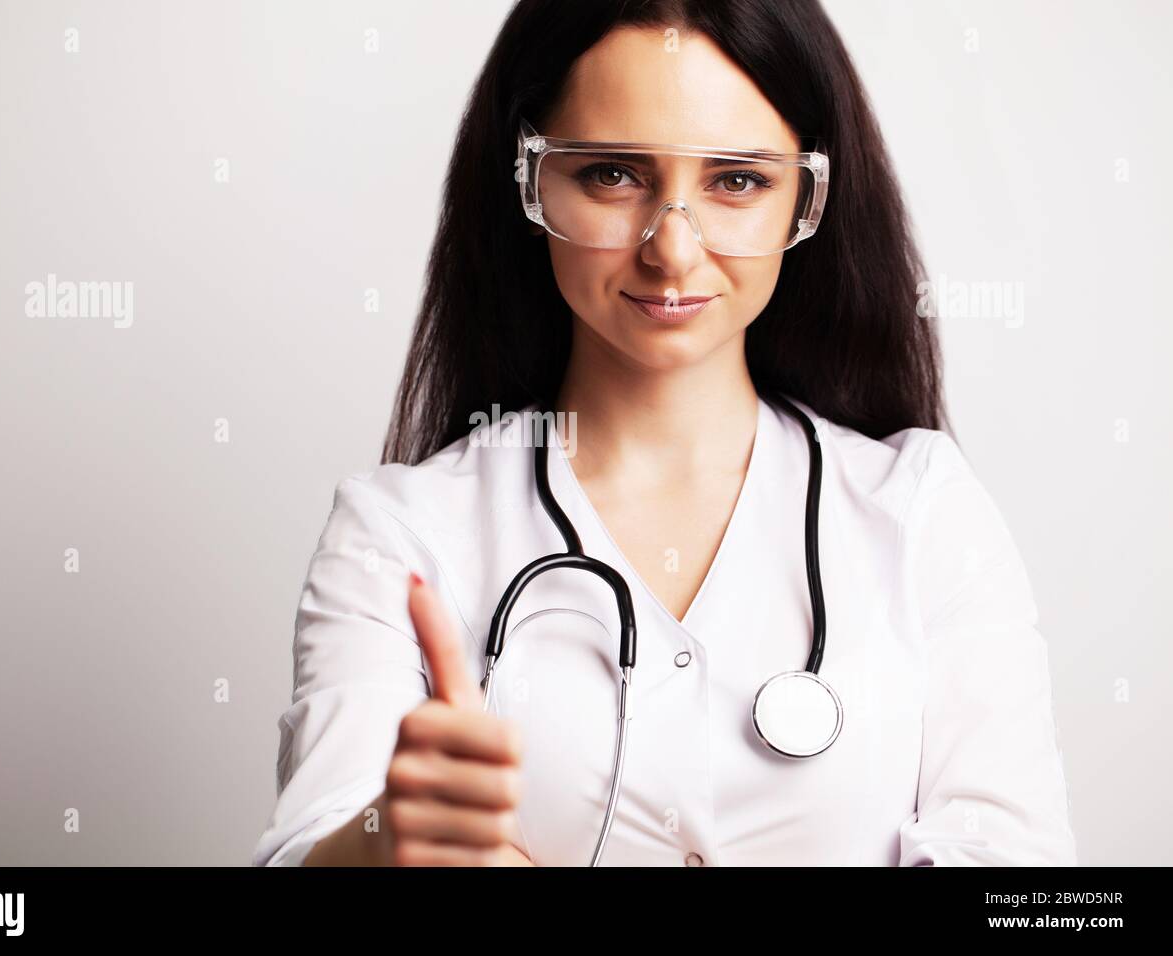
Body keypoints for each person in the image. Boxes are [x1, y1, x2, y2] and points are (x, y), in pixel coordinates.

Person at [253, 0, 1078, 867]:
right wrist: (385, 840)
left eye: (737, 181)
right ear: (529, 181)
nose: (673, 252)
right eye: (613, 175)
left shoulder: (921, 514)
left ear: (808, 197)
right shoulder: (397, 535)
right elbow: (307, 846)